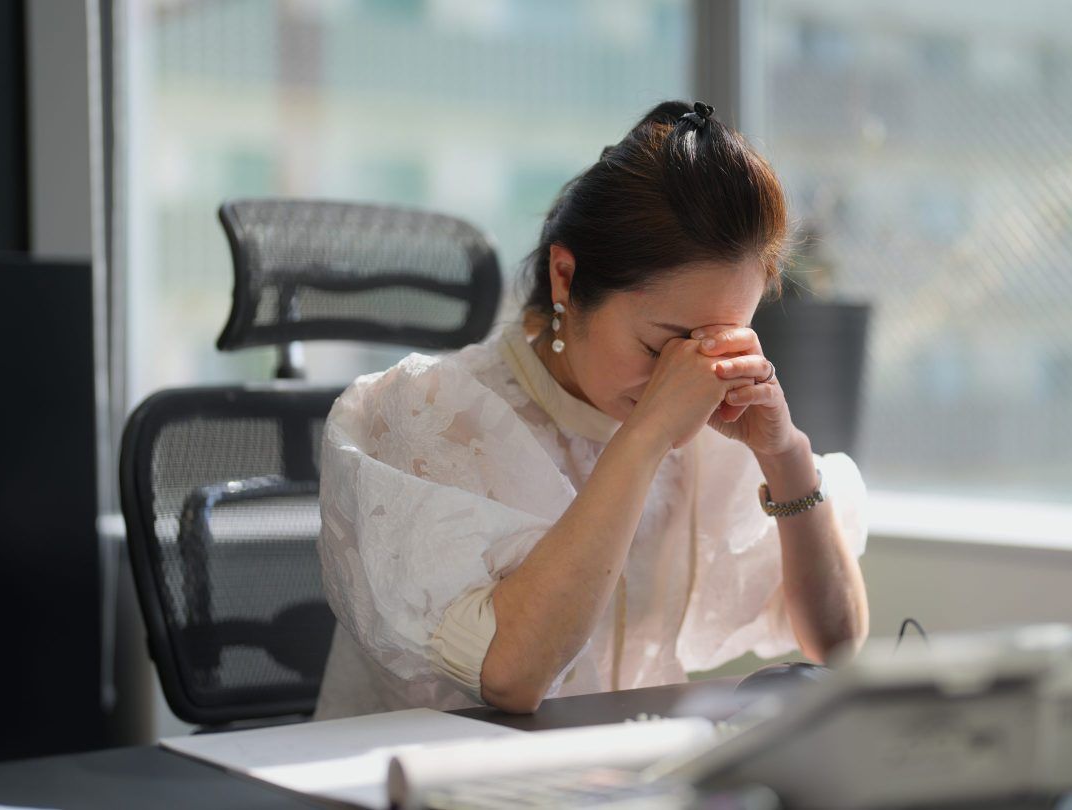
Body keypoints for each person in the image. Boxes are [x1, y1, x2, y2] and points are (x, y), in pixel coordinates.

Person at [314, 101, 870, 718]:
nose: (685, 379)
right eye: (663, 345)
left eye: (718, 344)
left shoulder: (711, 421)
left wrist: (785, 455)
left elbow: (837, 647)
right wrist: (645, 438)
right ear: (564, 278)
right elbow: (512, 680)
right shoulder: (429, 411)